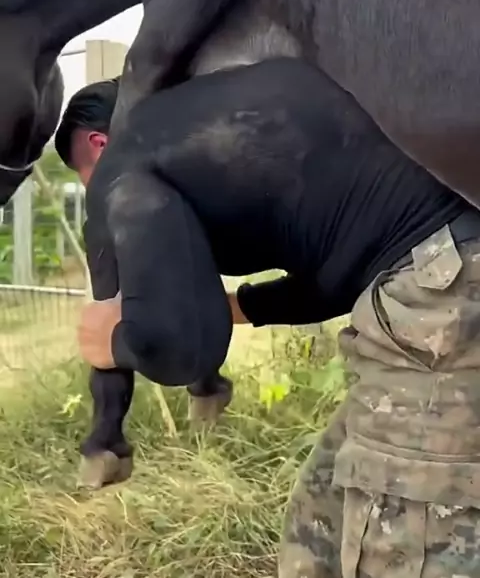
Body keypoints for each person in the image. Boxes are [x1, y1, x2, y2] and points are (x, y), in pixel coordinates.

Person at [55, 58, 480, 578]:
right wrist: (239, 308)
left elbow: (181, 347)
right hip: (432, 285)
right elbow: (339, 275)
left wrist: (114, 344)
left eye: (83, 176)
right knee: (317, 533)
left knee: (403, 549)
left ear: (98, 145)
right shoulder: (226, 126)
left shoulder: (126, 166)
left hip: (445, 299)